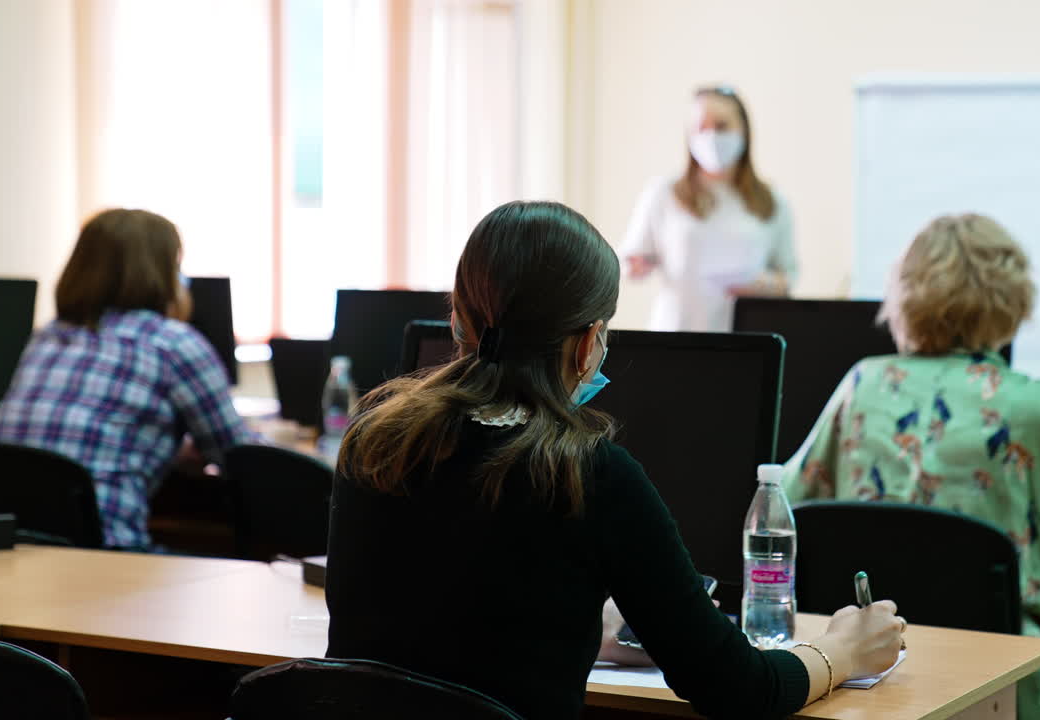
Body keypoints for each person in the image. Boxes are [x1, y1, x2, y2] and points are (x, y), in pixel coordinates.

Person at [325, 200, 903, 719]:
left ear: (457, 319)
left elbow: (438, 623)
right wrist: (842, 650)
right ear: (588, 344)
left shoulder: (373, 441)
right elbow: (737, 689)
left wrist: (577, 618)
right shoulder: (588, 475)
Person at [783, 213, 1040, 719]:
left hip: (870, 681)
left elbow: (784, 510)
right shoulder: (1033, 405)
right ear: (1013, 301)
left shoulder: (862, 385)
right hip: (1003, 686)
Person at [0, 208, 256, 549]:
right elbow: (241, 460)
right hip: (107, 555)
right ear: (163, 272)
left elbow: (79, 434)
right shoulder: (173, 343)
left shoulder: (47, 336)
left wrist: (164, 448)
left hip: (12, 551)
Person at [622, 86, 796, 332]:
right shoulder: (663, 193)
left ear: (744, 131)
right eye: (701, 128)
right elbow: (629, 262)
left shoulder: (772, 201)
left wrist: (765, 285)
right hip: (676, 335)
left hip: (746, 336)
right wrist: (636, 265)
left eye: (722, 126)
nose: (711, 136)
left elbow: (788, 276)